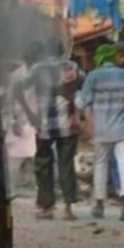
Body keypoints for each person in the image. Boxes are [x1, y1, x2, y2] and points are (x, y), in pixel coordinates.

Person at [15, 39, 82, 220]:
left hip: (43, 124)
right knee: (66, 164)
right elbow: (81, 87)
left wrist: (30, 113)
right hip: (68, 123)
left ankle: (47, 207)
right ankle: (68, 208)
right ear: (62, 51)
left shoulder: (38, 69)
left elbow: (18, 88)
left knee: (43, 164)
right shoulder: (72, 67)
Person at [75, 44, 124, 221]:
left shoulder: (93, 76)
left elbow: (83, 103)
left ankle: (99, 204)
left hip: (100, 129)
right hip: (123, 128)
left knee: (100, 164)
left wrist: (90, 128)